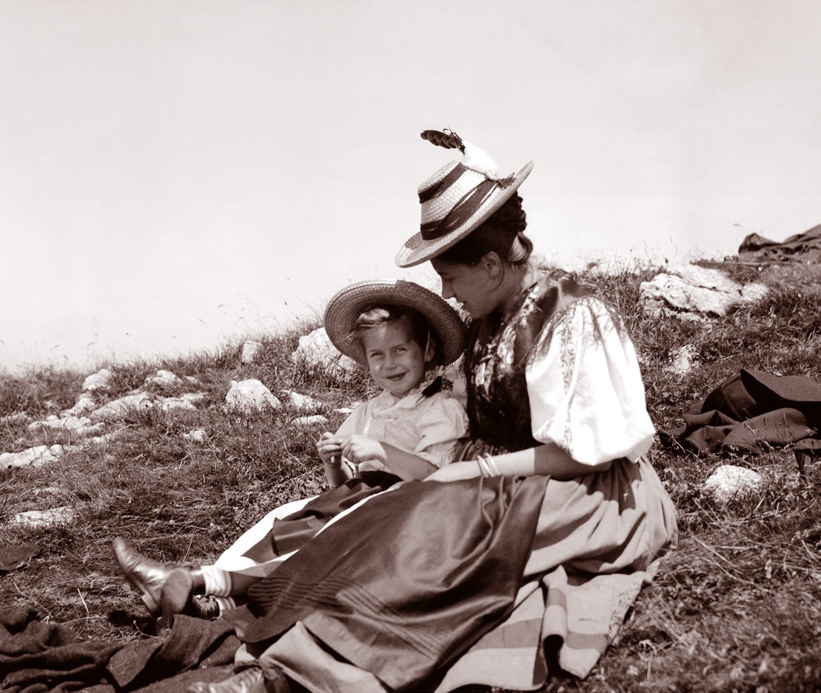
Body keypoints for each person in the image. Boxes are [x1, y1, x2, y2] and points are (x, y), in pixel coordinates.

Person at [191, 129, 678, 693]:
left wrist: (474, 473)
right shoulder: (488, 324)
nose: (447, 294)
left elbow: (579, 457)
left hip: (588, 493)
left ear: (492, 265)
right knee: (384, 521)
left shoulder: (573, 319)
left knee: (430, 548)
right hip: (500, 484)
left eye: (450, 278)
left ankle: (299, 676)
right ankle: (265, 633)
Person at [114, 279, 467, 627]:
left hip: (400, 508)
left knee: (316, 549)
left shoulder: (439, 408)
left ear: (428, 351)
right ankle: (201, 605)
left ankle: (192, 583)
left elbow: (436, 476)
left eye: (400, 350)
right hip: (352, 499)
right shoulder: (369, 411)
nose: (389, 364)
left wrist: (382, 451)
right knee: (280, 529)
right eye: (377, 354)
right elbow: (341, 486)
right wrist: (333, 463)